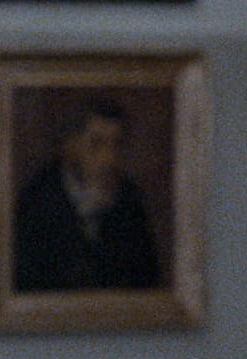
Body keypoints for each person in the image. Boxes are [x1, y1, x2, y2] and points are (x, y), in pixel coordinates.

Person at [15, 97, 161, 291]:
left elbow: (148, 281)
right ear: (69, 145)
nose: (109, 158)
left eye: (116, 145)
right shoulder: (38, 199)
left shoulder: (130, 199)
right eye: (96, 144)